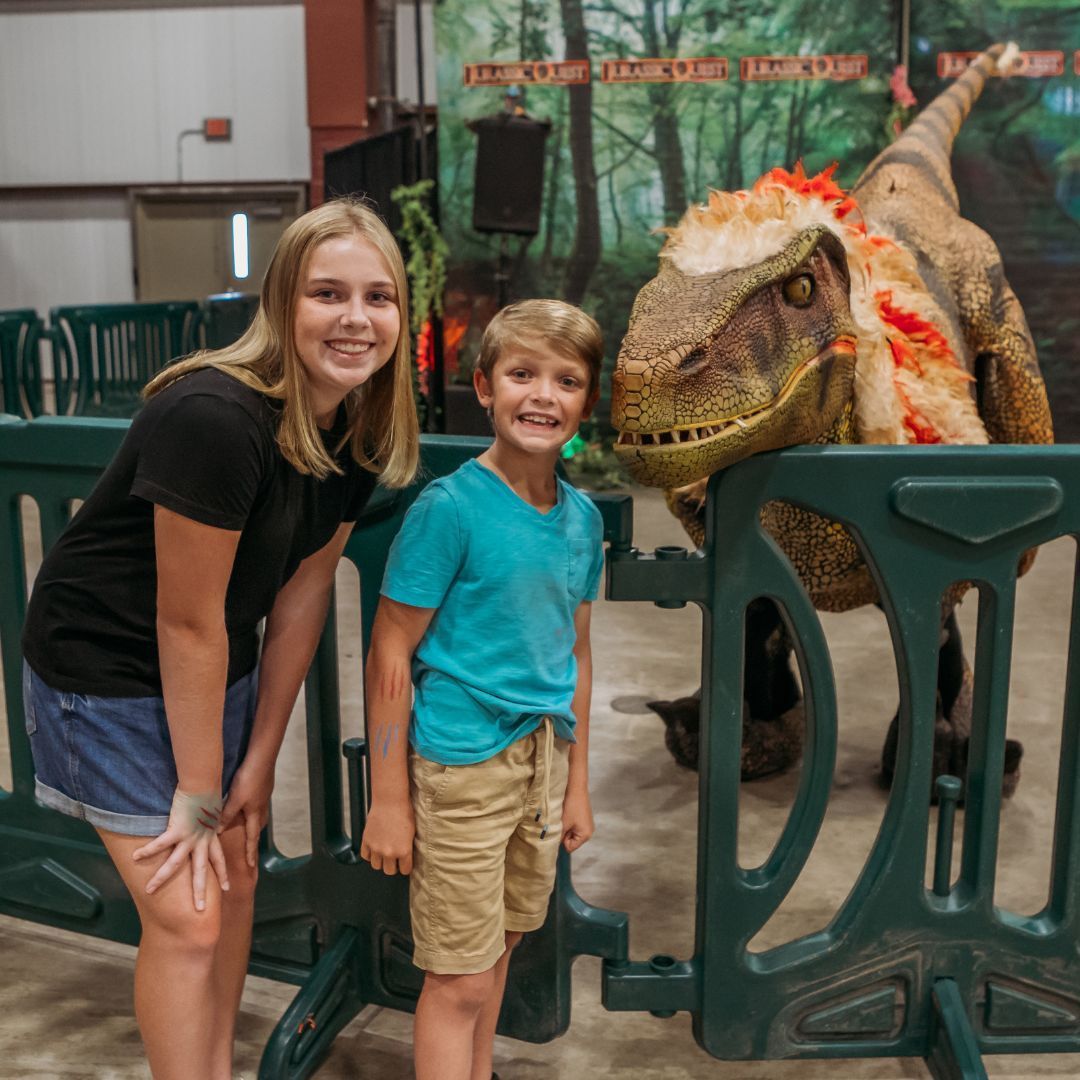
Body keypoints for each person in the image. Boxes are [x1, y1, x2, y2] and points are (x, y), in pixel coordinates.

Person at [20, 199, 419, 1080]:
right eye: (328, 293)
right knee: (191, 910)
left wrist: (257, 763)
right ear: (282, 303)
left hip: (212, 662)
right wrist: (200, 794)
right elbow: (185, 618)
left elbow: (307, 588)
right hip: (106, 667)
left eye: (378, 297)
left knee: (236, 877)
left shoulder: (354, 425)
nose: (356, 319)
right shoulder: (213, 416)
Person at [360, 299, 605, 1080]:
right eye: (522, 374)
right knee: (457, 974)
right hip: (461, 766)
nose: (542, 396)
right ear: (484, 387)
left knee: (499, 947)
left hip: (542, 764)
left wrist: (577, 784)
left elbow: (578, 652)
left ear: (586, 403)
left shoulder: (584, 520)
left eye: (566, 381)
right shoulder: (451, 508)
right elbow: (390, 648)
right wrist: (388, 798)